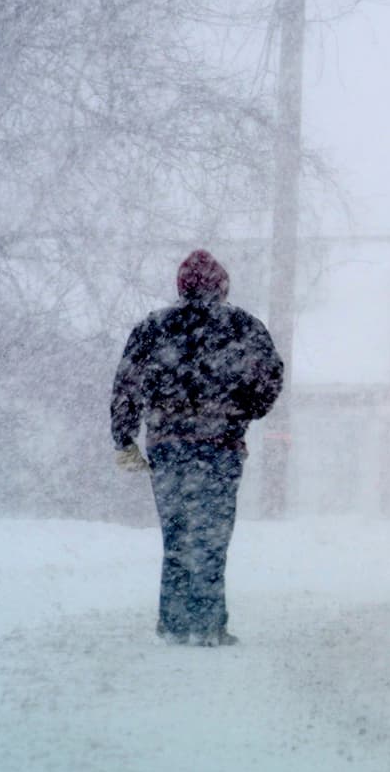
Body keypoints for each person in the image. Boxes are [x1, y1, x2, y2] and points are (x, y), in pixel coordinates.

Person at [111, 250, 284, 646]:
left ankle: (173, 623)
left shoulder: (153, 328)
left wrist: (124, 438)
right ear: (222, 286)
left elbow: (127, 386)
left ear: (181, 286)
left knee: (176, 534)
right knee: (212, 535)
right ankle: (208, 625)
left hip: (167, 443)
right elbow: (270, 376)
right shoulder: (242, 327)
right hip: (220, 445)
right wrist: (244, 411)